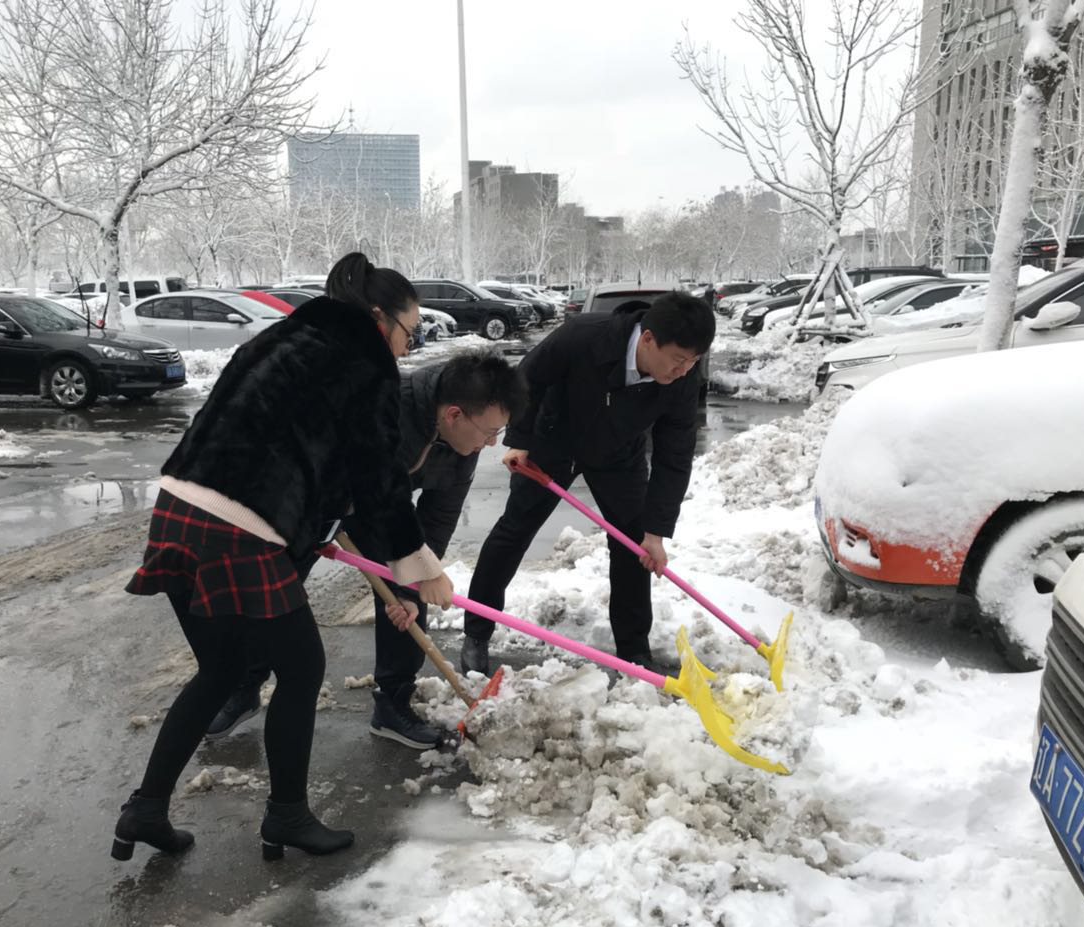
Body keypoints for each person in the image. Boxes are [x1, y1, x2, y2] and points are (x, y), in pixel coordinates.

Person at [112, 252, 453, 863]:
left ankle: (146, 808)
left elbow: (303, 450)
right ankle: (287, 818)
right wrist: (418, 566)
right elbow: (378, 478)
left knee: (218, 672)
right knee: (301, 669)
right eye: (411, 331)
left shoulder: (285, 336)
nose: (408, 347)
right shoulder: (364, 362)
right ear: (380, 320)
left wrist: (316, 523)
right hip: (238, 524)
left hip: (179, 507)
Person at [207, 349, 527, 749]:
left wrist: (412, 588)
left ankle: (392, 704)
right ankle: (243, 684)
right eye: (488, 433)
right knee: (274, 590)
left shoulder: (463, 447)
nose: (491, 443)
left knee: (412, 586)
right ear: (455, 415)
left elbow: (436, 520)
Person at [459, 290, 715, 675]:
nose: (683, 370)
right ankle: (477, 632)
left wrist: (656, 530)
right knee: (514, 533)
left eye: (692, 361)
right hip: (552, 444)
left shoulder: (681, 378)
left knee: (633, 548)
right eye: (678, 359)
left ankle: (633, 652)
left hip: (618, 456)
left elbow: (674, 455)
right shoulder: (583, 335)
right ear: (648, 340)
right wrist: (520, 439)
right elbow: (528, 378)